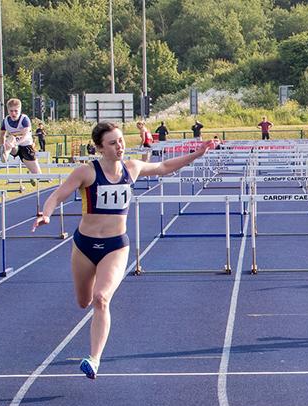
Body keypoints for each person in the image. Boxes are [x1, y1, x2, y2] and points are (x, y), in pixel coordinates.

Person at [31, 121, 218, 380]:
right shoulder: (86, 172)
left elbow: (163, 167)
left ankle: (94, 359)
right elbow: (58, 195)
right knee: (83, 301)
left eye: (120, 140)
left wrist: (197, 154)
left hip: (115, 246)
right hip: (84, 245)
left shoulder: (132, 167)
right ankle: (93, 305)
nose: (119, 146)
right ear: (99, 148)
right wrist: (46, 214)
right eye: (112, 143)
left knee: (101, 299)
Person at [0, 98, 42, 176]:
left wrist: (17, 143)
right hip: (13, 147)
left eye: (16, 111)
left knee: (37, 174)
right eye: (11, 111)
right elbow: (2, 135)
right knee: (11, 138)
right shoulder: (5, 121)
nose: (13, 113)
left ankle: (33, 175)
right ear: (8, 111)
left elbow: (25, 135)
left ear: (20, 110)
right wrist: (2, 145)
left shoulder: (24, 119)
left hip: (26, 146)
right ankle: (5, 154)